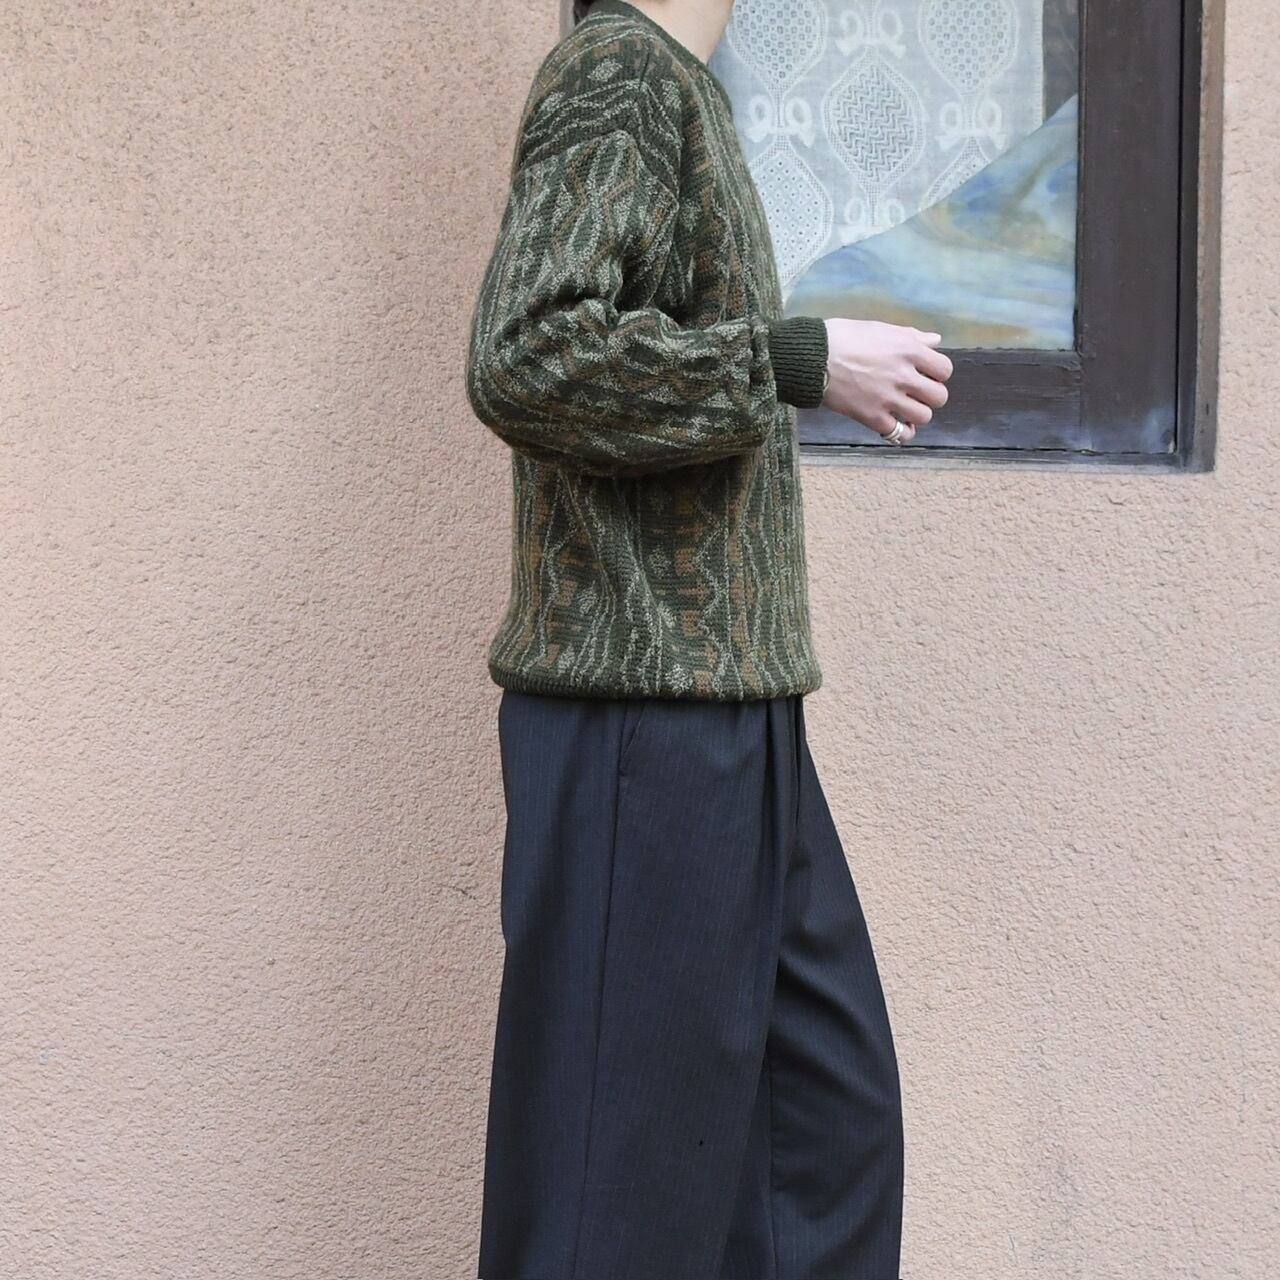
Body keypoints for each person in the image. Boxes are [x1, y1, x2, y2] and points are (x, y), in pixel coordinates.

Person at [463, 1, 952, 1276]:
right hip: (639, 717)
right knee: (607, 1198)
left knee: (819, 1139)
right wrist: (793, 359)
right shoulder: (616, 73)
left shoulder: (682, 86)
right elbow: (523, 353)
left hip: (732, 707)